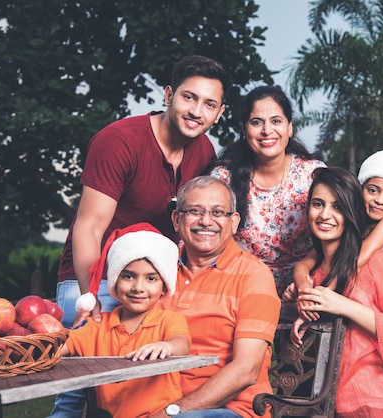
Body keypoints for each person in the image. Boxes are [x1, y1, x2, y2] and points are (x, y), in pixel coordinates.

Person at [51, 55, 228, 418]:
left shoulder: (204, 151)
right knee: (77, 386)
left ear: (219, 112)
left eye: (209, 104)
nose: (196, 111)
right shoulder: (118, 141)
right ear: (168, 95)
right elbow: (89, 227)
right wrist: (91, 300)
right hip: (92, 272)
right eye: (188, 97)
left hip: (146, 279)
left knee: (141, 382)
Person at [288, 149, 383, 370]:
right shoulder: (351, 228)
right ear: (360, 190)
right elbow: (304, 263)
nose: (380, 200)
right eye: (373, 190)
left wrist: (319, 300)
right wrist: (303, 288)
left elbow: (354, 264)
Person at [290, 167, 383, 418]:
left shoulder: (376, 261)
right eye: (318, 204)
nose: (325, 215)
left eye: (338, 207)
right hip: (330, 408)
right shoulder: (314, 275)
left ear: (352, 212)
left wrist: (345, 307)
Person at [156, 176, 280, 418]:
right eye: (194, 211)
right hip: (156, 401)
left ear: (233, 222)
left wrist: (171, 412)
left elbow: (246, 370)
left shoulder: (254, 276)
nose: (205, 221)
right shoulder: (156, 270)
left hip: (231, 409)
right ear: (177, 219)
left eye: (217, 212)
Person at [59, 223, 190, 418]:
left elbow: (182, 343)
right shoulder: (96, 326)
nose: (138, 287)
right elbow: (58, 347)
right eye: (128, 276)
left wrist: (167, 347)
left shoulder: (169, 321)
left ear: (164, 287)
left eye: (151, 279)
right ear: (114, 282)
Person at [209, 85, 326, 297]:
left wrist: (304, 278)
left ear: (289, 128)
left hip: (306, 287)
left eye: (276, 121)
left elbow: (339, 234)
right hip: (239, 287)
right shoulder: (223, 178)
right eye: (256, 122)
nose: (266, 131)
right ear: (244, 131)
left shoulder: (313, 174)